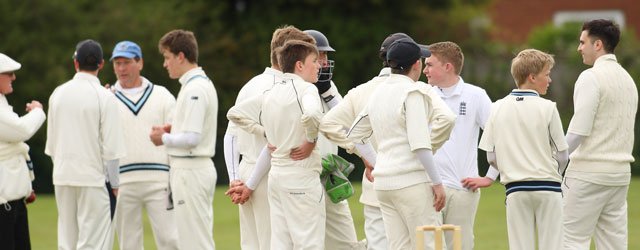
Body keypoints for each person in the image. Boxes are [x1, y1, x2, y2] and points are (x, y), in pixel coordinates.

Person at [343, 38, 456, 250]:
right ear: (416, 64)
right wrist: (437, 182)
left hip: (384, 184)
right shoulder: (412, 92)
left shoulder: (378, 92)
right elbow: (421, 145)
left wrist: (378, 164)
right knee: (429, 244)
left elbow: (355, 134)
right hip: (412, 182)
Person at [226, 40, 325, 249]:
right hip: (300, 176)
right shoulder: (307, 89)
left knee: (280, 243)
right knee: (309, 243)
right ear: (299, 65)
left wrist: (265, 133)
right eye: (315, 61)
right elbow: (313, 115)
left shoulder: (270, 92)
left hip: (275, 178)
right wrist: (311, 140)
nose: (319, 65)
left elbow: (234, 113)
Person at [478, 49, 568, 250]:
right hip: (549, 188)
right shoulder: (548, 107)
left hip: (515, 189)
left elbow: (491, 156)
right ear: (532, 77)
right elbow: (563, 154)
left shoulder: (497, 107)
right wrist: (555, 173)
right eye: (547, 74)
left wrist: (510, 167)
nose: (550, 80)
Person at [563, 19, 638, 250]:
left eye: (582, 42)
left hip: (587, 173)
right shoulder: (628, 80)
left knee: (570, 240)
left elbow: (578, 131)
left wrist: (554, 161)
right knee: (614, 244)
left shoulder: (590, 77)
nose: (579, 48)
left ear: (598, 45)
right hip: (619, 176)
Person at [45, 39, 126, 250]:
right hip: (92, 179)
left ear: (75, 63)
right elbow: (112, 149)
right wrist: (115, 184)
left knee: (67, 242)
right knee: (93, 243)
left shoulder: (57, 94)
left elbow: (52, 146)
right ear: (101, 64)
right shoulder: (105, 97)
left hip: (62, 177)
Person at [422, 41, 495, 250]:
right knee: (427, 246)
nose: (424, 70)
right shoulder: (423, 95)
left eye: (430, 64)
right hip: (427, 186)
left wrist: (491, 176)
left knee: (460, 247)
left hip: (463, 189)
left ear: (448, 67)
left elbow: (499, 136)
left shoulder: (475, 95)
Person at [150, 29, 218, 250]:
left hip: (191, 170)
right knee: (193, 239)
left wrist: (164, 137)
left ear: (181, 56)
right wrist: (174, 129)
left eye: (167, 57)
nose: (165, 64)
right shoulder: (195, 85)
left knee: (194, 242)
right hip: (191, 170)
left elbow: (192, 138)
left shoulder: (194, 89)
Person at [108, 41, 178, 250]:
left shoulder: (162, 94)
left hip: (159, 179)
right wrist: (111, 180)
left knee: (171, 240)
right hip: (122, 183)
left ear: (140, 63)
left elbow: (177, 130)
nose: (121, 68)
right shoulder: (106, 98)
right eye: (117, 63)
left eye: (127, 62)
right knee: (129, 243)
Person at [303, 29, 366, 250]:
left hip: (331, 178)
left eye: (326, 56)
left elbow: (348, 122)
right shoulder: (295, 89)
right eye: (320, 56)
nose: (325, 62)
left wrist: (327, 91)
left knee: (347, 243)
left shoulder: (328, 88)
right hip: (304, 178)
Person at [0, 53, 46, 250]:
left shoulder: (3, 104)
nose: (14, 77)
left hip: (13, 203)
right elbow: (21, 130)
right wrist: (38, 111)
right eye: (9, 73)